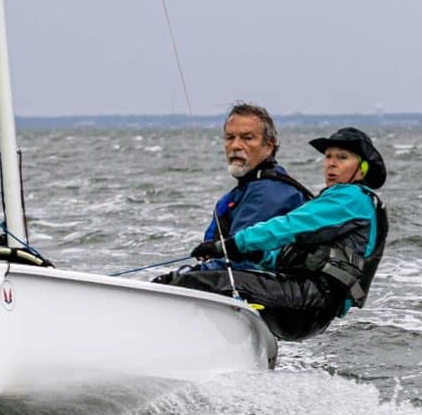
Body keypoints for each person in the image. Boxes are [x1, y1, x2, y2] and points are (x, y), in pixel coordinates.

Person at [165, 127, 388, 341]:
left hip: (309, 300)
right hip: (308, 307)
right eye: (328, 156)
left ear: (363, 169)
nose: (332, 163)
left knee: (196, 281)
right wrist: (253, 255)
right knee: (199, 281)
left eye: (342, 157)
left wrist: (226, 245)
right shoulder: (343, 203)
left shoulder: (351, 198)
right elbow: (291, 250)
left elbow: (287, 226)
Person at [154, 102, 311, 282]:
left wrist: (176, 278)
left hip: (274, 293)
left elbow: (241, 261)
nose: (236, 145)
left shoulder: (270, 192)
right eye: (230, 137)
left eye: (247, 138)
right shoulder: (243, 190)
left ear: (269, 146)